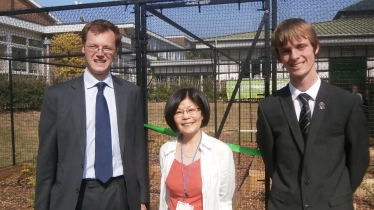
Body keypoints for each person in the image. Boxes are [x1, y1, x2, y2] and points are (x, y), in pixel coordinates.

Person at [256, 18, 370, 210]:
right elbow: (271, 159)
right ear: (279, 56)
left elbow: (359, 158)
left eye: (301, 46)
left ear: (316, 47)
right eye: (285, 50)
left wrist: (337, 195)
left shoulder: (347, 103)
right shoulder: (269, 108)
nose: (294, 56)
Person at [35, 19, 148, 210]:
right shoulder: (57, 96)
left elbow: (138, 150)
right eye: (93, 46)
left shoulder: (131, 93)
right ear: (83, 48)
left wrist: (143, 198)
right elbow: (46, 158)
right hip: (74, 195)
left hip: (120, 193)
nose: (100, 53)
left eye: (107, 48)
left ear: (116, 51)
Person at [159, 88, 235, 210]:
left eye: (191, 110)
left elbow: (225, 200)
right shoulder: (166, 150)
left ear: (202, 113)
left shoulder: (221, 151)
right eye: (178, 112)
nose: (185, 116)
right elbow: (165, 197)